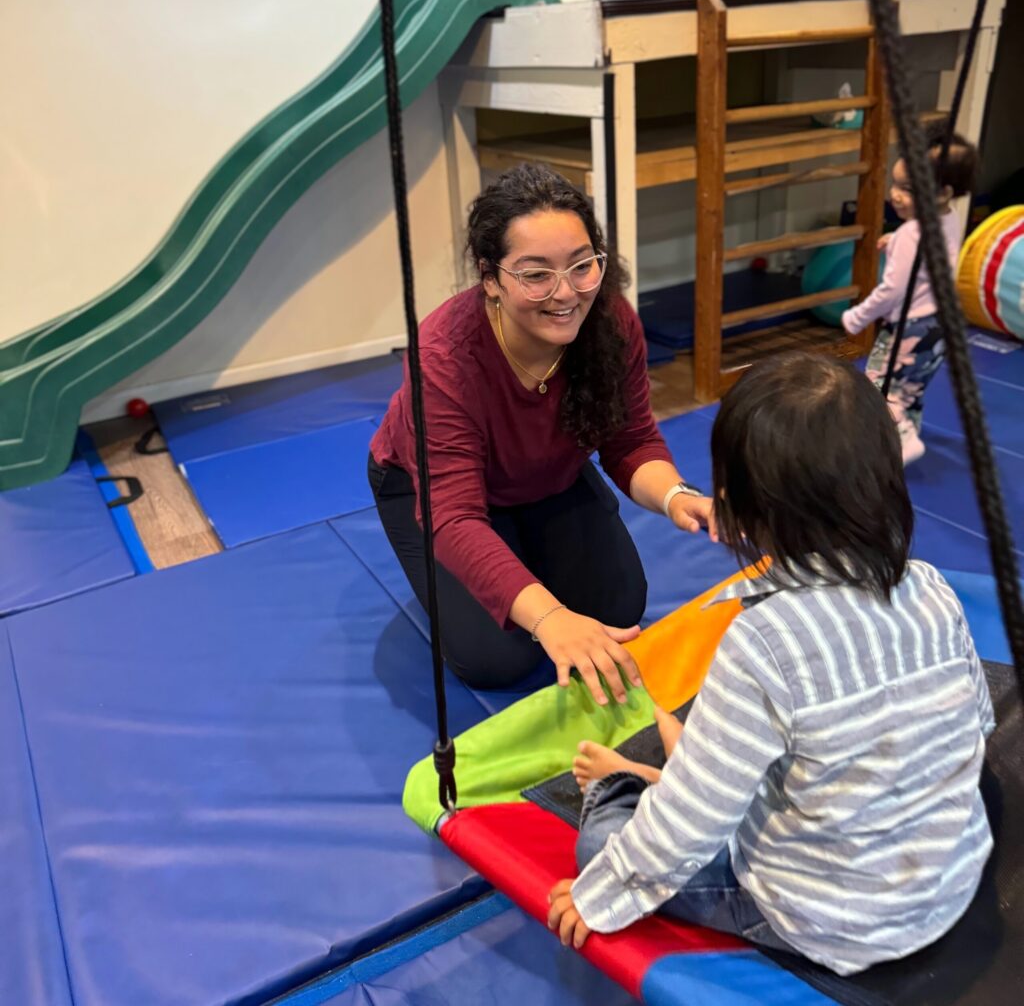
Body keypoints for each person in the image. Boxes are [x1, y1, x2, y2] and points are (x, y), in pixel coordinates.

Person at [547, 351, 994, 976]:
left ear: (740, 508)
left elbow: (687, 831)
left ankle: (638, 780)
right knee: (787, 741)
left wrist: (599, 896)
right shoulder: (929, 586)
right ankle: (696, 765)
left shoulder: (765, 642)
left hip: (837, 920)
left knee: (604, 844)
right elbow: (976, 728)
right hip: (949, 882)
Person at [369, 163, 716, 704]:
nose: (565, 293)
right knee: (498, 658)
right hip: (434, 492)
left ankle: (520, 547)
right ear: (491, 278)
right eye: (535, 274)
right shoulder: (445, 357)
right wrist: (550, 617)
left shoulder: (611, 322)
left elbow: (631, 442)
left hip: (545, 473)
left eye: (582, 266)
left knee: (618, 608)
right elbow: (454, 516)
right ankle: (491, 566)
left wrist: (678, 497)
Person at [841, 127, 979, 464]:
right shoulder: (949, 218)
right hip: (940, 325)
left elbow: (892, 291)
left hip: (909, 328)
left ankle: (900, 437)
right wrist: (897, 242)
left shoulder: (909, 235)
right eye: (896, 183)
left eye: (909, 189)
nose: (895, 195)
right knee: (909, 390)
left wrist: (857, 316)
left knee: (876, 386)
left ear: (943, 192)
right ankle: (898, 441)